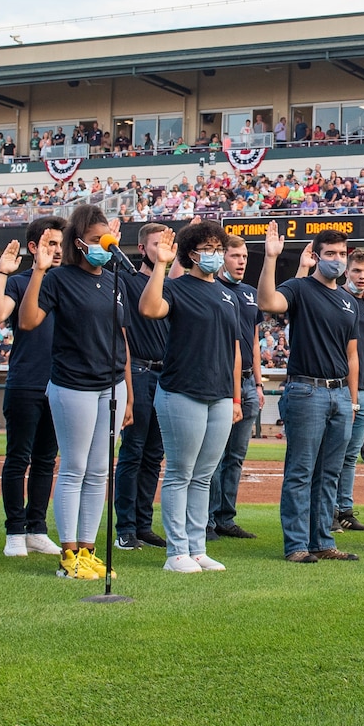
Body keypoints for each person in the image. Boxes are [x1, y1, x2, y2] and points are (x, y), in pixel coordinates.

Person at [26, 203, 131, 580]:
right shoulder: (60, 279)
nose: (103, 246)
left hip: (112, 384)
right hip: (73, 384)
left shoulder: (114, 280)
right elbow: (29, 320)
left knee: (101, 470)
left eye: (108, 239)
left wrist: (129, 393)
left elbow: (122, 336)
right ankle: (69, 554)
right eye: (95, 240)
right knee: (74, 468)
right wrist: (39, 271)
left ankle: (87, 549)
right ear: (78, 244)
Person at [137, 221, 244, 572]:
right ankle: (176, 551)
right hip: (182, 390)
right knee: (180, 472)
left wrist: (235, 396)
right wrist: (163, 266)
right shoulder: (176, 287)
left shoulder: (229, 294)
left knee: (203, 475)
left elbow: (234, 347)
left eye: (218, 247)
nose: (214, 254)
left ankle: (197, 547)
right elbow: (150, 309)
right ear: (191, 253)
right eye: (207, 248)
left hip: (219, 394)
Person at [254, 222, 360, 563]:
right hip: (307, 389)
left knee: (330, 473)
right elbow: (268, 301)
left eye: (342, 254)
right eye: (330, 254)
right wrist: (271, 258)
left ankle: (322, 541)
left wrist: (353, 399)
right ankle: (297, 545)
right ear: (315, 257)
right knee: (301, 470)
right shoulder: (299, 288)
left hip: (340, 393)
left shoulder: (349, 301)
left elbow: (352, 354)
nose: (338, 260)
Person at [0, 216, 65, 559]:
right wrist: (2, 273)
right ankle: (14, 530)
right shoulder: (18, 283)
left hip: (62, 383)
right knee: (18, 459)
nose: (57, 251)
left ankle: (36, 528)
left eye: (61, 244)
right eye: (50, 244)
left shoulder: (69, 283)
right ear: (33, 247)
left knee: (46, 460)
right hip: (26, 382)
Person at [113, 225, 172, 551]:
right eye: (155, 243)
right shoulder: (130, 281)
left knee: (153, 455)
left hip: (165, 374)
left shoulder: (170, 286)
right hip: (137, 371)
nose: (162, 247)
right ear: (141, 247)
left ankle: (143, 524)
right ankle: (125, 527)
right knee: (133, 453)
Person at [207, 231, 263, 540]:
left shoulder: (251, 293)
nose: (241, 262)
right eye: (235, 256)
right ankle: (208, 519)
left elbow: (253, 341)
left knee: (236, 457)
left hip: (247, 384)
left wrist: (258, 380)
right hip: (220, 382)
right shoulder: (213, 288)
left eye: (244, 257)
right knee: (213, 456)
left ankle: (226, 517)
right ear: (222, 257)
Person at [332, 248, 364, 534]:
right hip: (339, 386)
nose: (361, 276)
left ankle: (345, 511)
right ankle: (329, 512)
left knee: (350, 456)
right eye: (356, 271)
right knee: (334, 454)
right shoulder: (337, 297)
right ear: (346, 271)